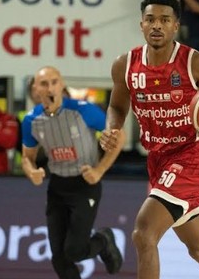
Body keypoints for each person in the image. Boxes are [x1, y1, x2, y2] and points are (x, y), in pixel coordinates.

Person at [100, 0, 199, 279]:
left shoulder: (195, 62)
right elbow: (116, 105)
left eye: (164, 20)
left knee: (143, 233)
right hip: (158, 160)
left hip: (192, 157)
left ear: (175, 26)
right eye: (150, 19)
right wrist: (111, 129)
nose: (157, 25)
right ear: (141, 24)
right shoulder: (125, 65)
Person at [21, 66, 125, 279]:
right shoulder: (31, 120)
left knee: (74, 251)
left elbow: (119, 135)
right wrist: (31, 171)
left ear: (61, 85)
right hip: (57, 186)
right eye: (44, 83)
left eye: (54, 82)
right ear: (35, 89)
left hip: (84, 185)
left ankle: (104, 239)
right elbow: (27, 157)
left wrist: (100, 170)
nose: (50, 87)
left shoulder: (83, 110)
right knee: (59, 259)